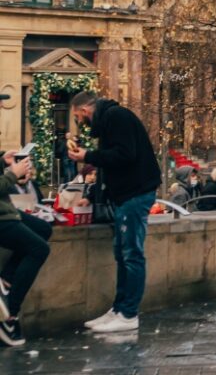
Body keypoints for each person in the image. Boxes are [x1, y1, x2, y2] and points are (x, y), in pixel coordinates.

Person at [69, 89, 162, 334]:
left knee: (131, 253)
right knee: (122, 253)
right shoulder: (110, 120)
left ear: (86, 110)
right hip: (127, 194)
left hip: (135, 194)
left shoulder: (115, 117)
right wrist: (90, 196)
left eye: (78, 117)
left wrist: (87, 155)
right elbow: (110, 166)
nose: (79, 122)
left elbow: (124, 155)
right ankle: (119, 309)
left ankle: (129, 313)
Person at [0, 150, 52, 348]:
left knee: (43, 229)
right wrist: (13, 174)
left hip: (7, 212)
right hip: (2, 217)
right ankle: (9, 317)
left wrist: (2, 162)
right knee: (39, 249)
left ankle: (6, 279)